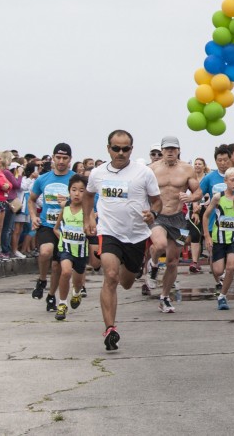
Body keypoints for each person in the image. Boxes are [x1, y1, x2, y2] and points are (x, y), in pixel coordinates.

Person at [84, 130, 162, 351]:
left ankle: (137, 269)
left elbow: (157, 202)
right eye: (116, 148)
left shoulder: (144, 173)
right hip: (109, 232)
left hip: (136, 236)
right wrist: (88, 217)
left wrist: (153, 215)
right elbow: (88, 195)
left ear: (131, 149)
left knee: (126, 283)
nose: (120, 153)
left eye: (125, 149)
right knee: (110, 275)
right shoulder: (97, 173)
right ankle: (110, 329)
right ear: (108, 148)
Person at [148, 136, 201, 314]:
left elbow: (198, 191)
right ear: (162, 151)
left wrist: (191, 198)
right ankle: (153, 264)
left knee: (172, 261)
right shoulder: (152, 169)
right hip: (158, 216)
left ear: (178, 150)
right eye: (167, 149)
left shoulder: (187, 169)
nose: (170, 152)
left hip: (178, 219)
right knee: (160, 244)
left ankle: (164, 297)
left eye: (173, 148)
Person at [28, 143, 75, 311]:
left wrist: (69, 203)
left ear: (70, 160)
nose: (61, 161)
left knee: (57, 267)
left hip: (66, 228)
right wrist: (33, 216)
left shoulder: (75, 179)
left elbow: (84, 202)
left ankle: (51, 296)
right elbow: (32, 199)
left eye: (65, 158)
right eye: (58, 157)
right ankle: (41, 279)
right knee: (45, 251)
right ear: (53, 158)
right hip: (47, 224)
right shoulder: (43, 179)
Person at [202, 167, 234, 310]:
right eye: (232, 180)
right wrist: (207, 236)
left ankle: (222, 296)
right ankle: (214, 262)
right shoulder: (217, 197)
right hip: (218, 238)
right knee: (218, 271)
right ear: (225, 181)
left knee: (231, 267)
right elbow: (206, 215)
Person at [52, 175, 89, 321]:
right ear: (69, 191)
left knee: (78, 282)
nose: (77, 193)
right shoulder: (65, 209)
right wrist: (62, 239)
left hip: (81, 251)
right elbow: (56, 228)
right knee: (66, 272)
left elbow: (93, 229)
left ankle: (76, 293)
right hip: (66, 249)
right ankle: (62, 304)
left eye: (81, 190)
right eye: (74, 190)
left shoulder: (88, 211)